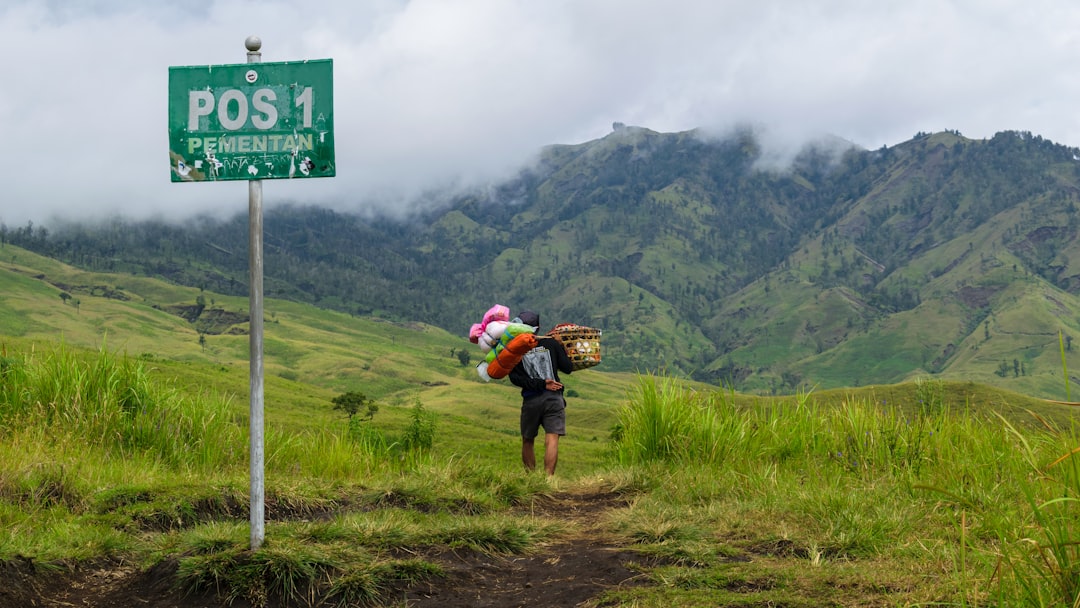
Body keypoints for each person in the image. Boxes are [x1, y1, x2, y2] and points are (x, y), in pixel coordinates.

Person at [508, 310, 573, 475]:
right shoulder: (551, 344)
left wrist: (538, 384)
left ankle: (531, 480)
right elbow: (568, 368)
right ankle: (549, 479)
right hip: (554, 397)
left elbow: (515, 378)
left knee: (528, 439)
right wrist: (560, 348)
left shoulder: (514, 349)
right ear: (537, 328)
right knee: (552, 438)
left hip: (531, 399)